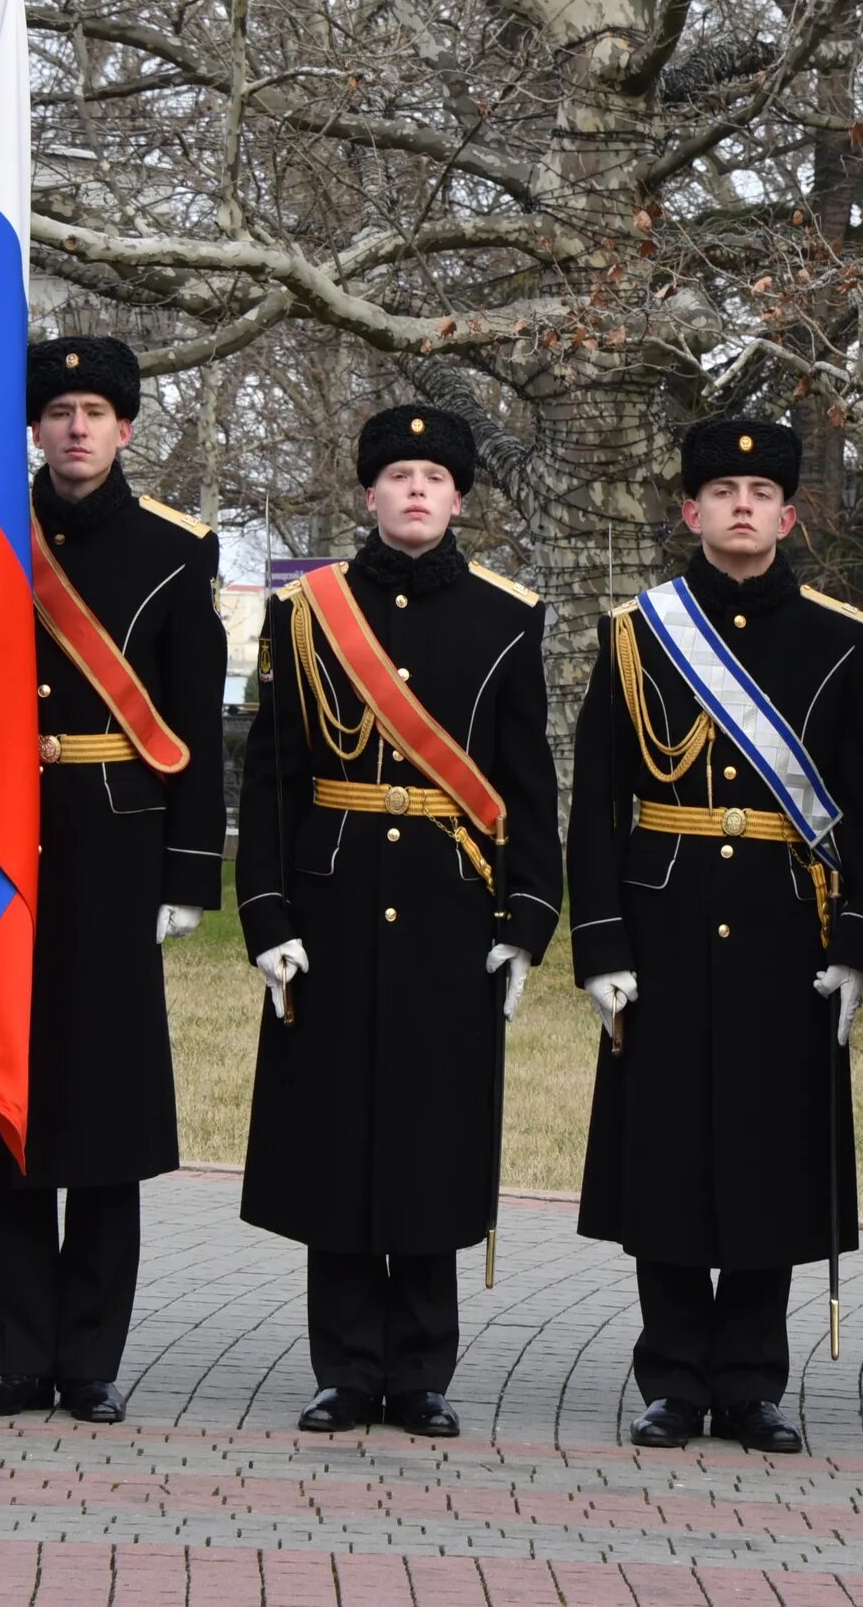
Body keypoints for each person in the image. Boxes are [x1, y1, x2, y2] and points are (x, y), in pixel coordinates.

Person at [0, 335, 228, 1422]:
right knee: (1, 1102)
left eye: (96, 410)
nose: (77, 427)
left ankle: (89, 1358)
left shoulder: (179, 550)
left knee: (103, 1111)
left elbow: (193, 727)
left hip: (118, 845)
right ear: (32, 428)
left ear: (128, 428)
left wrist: (189, 868)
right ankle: (16, 1352)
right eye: (59, 411)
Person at [567, 417, 863, 1453]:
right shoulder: (637, 632)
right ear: (690, 511)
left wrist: (855, 944)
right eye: (723, 490)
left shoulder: (839, 638)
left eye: (761, 490)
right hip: (662, 921)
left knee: (771, 1154)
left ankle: (753, 1377)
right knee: (664, 1152)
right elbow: (600, 804)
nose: (743, 504)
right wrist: (605, 945)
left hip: (782, 929)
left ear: (790, 514)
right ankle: (672, 1374)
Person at [234, 403, 560, 1436]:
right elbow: (274, 772)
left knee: (431, 1137)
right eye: (398, 475)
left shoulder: (508, 614)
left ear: (460, 497)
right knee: (336, 1138)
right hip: (329, 901)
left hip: (448, 909)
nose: (416, 490)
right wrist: (267, 909)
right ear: (367, 494)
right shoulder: (307, 610)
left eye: (435, 476)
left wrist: (525, 917)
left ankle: (419, 1369)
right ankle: (344, 1365)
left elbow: (525, 783)